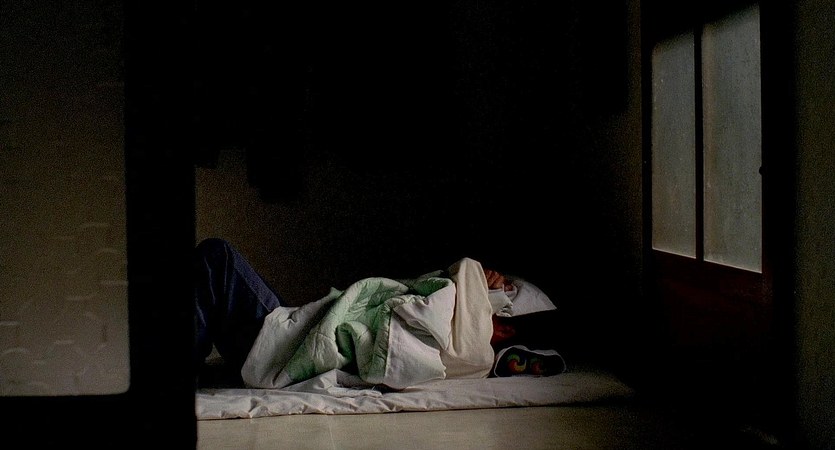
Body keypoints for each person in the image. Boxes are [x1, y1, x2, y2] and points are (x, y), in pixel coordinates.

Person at [194, 238, 563, 388]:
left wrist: (476, 278)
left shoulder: (473, 351)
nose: (493, 283)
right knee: (218, 266)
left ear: (507, 329)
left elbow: (461, 273)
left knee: (217, 256)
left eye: (504, 290)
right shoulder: (454, 315)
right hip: (291, 330)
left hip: (279, 345)